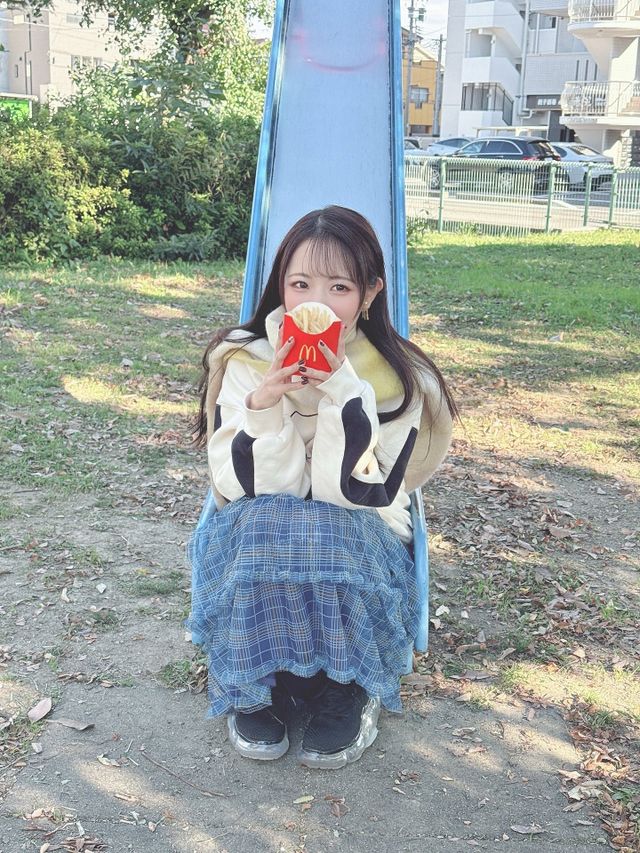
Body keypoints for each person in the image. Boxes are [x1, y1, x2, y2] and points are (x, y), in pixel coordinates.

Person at [188, 205, 456, 769]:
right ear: (281, 286)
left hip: (360, 523)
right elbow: (248, 491)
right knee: (269, 520)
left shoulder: (400, 378)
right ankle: (259, 680)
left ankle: (347, 686)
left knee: (331, 526)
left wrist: (343, 391)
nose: (317, 303)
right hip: (262, 520)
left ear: (370, 293)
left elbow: (357, 494)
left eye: (339, 287)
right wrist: (265, 404)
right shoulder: (245, 359)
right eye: (300, 284)